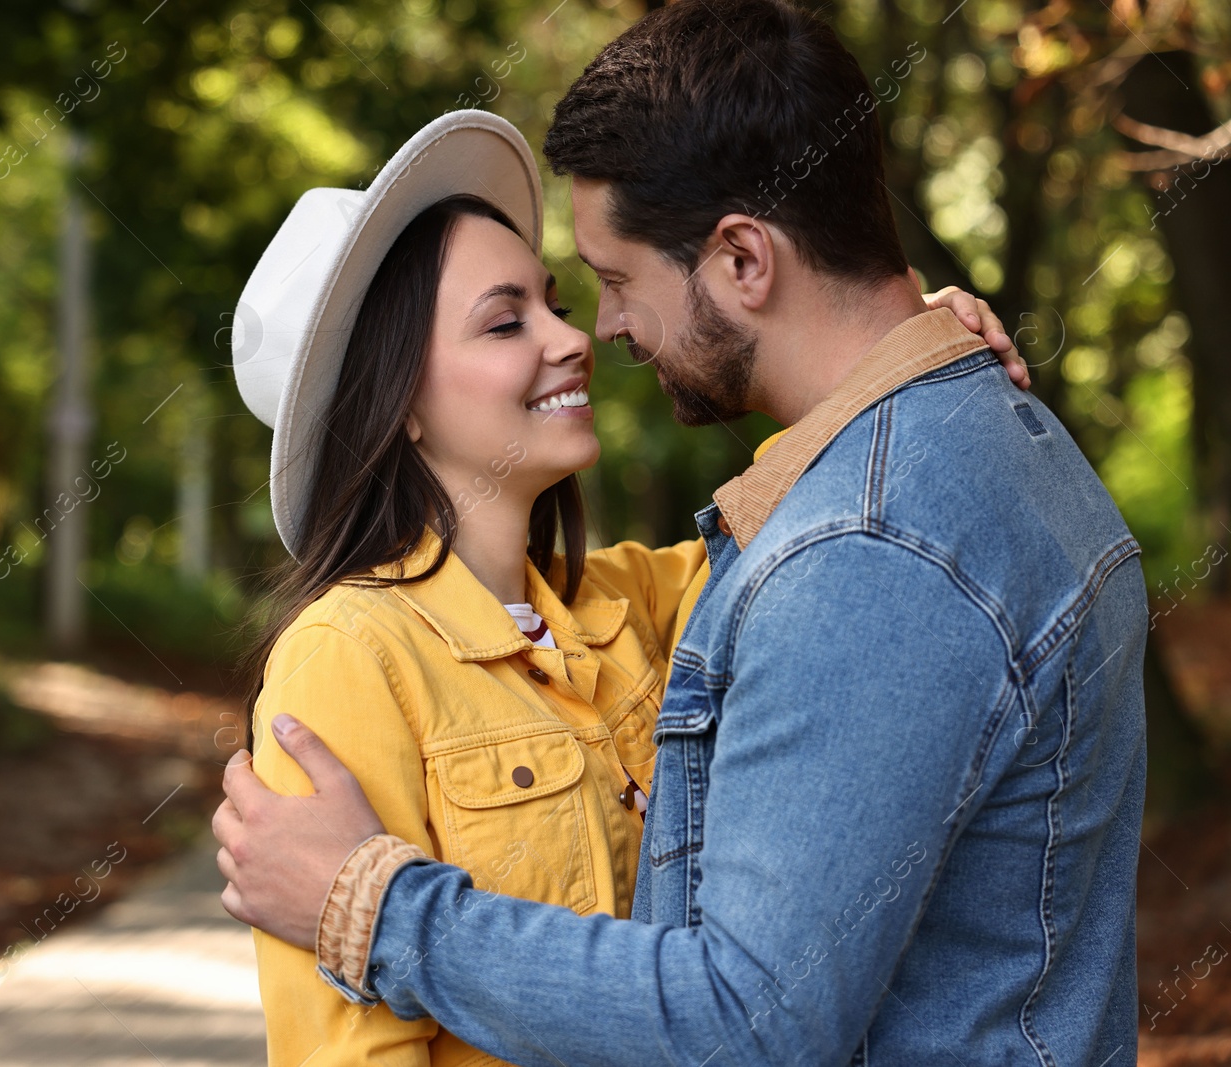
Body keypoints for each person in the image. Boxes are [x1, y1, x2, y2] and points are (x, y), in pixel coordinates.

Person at [216, 2, 1148, 1065]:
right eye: (507, 318)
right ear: (398, 403)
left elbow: (742, 1013)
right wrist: (911, 352)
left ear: (745, 260)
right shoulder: (346, 659)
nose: (590, 334)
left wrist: (911, 345)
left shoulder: (685, 594)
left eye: (591, 289)